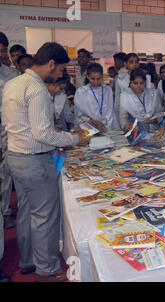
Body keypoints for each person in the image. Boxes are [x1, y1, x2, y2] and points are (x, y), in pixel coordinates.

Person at [2, 42, 89, 281]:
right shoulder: (36, 88)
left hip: (15, 156)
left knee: (28, 213)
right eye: (61, 69)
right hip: (34, 161)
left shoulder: (13, 82)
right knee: (45, 218)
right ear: (51, 64)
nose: (61, 75)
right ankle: (47, 271)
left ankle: (28, 261)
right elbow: (44, 135)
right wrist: (75, 139)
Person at [0, 32, 20, 232]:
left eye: (3, 50)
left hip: (8, 132)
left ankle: (5, 212)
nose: (1, 53)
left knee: (6, 175)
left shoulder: (12, 76)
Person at [74, 62, 119, 131]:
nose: (96, 82)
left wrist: (106, 127)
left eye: (99, 78)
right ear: (88, 77)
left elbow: (110, 112)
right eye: (92, 79)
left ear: (102, 76)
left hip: (106, 126)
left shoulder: (107, 90)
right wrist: (93, 122)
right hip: (88, 127)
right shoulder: (81, 92)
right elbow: (78, 114)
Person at [115, 53, 139, 118]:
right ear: (125, 64)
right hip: (125, 112)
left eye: (136, 62)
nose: (134, 64)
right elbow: (117, 100)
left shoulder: (143, 78)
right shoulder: (120, 79)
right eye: (131, 62)